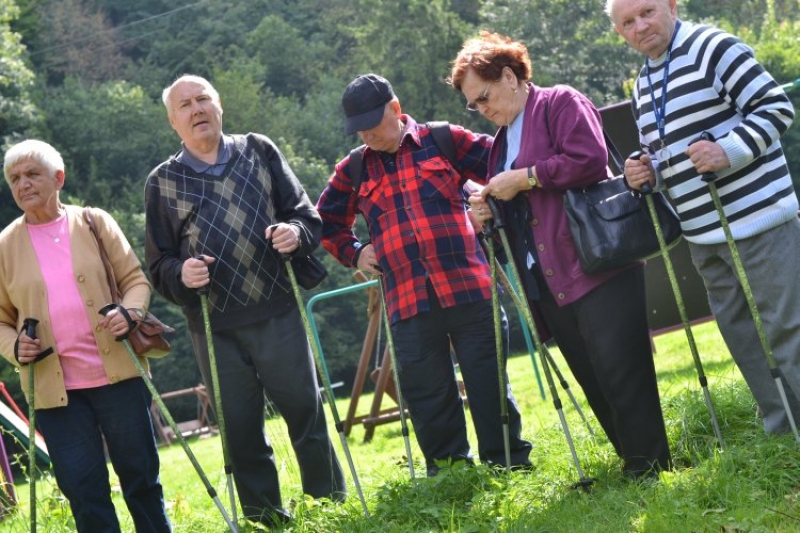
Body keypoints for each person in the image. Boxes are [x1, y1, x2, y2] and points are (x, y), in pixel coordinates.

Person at [448, 32, 672, 479]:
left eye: (484, 96)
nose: (480, 109)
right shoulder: (497, 144)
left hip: (597, 259)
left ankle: (652, 465)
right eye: (472, 105)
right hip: (547, 279)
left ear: (510, 76)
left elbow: (589, 160)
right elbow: (512, 210)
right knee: (592, 376)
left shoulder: (560, 102)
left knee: (622, 369)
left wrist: (526, 178)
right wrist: (487, 211)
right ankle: (634, 463)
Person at [144, 75, 345, 527]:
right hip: (215, 329)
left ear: (219, 106)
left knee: (305, 413)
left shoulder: (258, 149)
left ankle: (331, 509)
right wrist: (183, 273)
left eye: (203, 100)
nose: (196, 110)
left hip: (277, 310)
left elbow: (306, 215)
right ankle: (266, 520)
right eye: (185, 105)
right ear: (172, 119)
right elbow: (158, 266)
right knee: (239, 432)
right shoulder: (162, 182)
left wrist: (295, 232)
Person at [315, 73, 533, 476]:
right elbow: (324, 222)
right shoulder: (354, 169)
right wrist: (356, 252)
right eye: (358, 128)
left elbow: (507, 166)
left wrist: (487, 203)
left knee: (489, 386)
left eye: (373, 123)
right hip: (407, 302)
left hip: (471, 287)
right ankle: (451, 476)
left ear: (396, 110)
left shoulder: (444, 139)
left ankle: (509, 465)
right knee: (428, 396)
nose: (366, 134)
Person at [608, 0, 800, 434]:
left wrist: (727, 151)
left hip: (760, 220)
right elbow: (668, 157)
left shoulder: (713, 46)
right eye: (628, 22)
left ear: (672, 6)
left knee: (789, 328)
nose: (641, 26)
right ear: (620, 33)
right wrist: (647, 172)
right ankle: (783, 428)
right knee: (741, 337)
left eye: (648, 12)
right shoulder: (643, 82)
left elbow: (775, 107)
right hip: (702, 235)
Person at [0, 140, 171, 532]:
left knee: (142, 480)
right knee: (83, 489)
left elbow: (135, 281)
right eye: (14, 179)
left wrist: (130, 313)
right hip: (56, 395)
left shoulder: (94, 221)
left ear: (58, 178)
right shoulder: (4, 246)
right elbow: (0, 321)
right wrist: (13, 347)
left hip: (119, 378)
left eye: (31, 174)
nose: (23, 184)